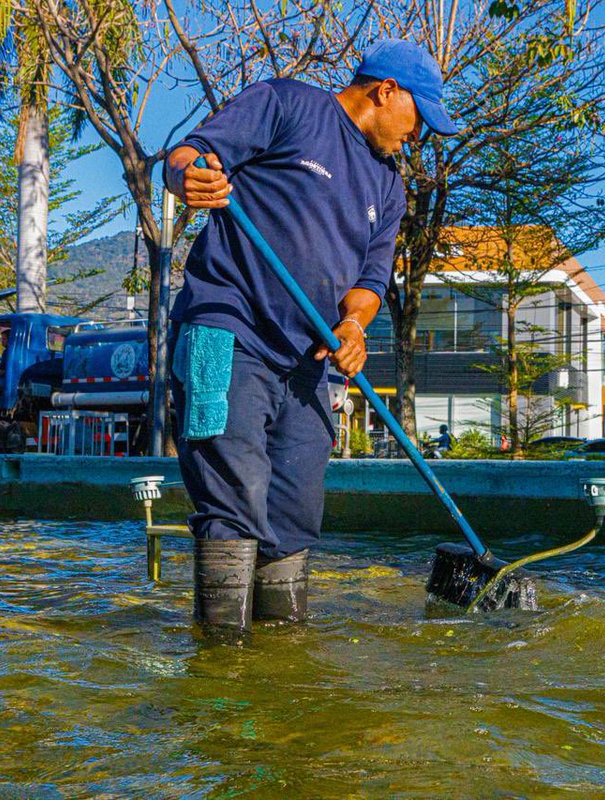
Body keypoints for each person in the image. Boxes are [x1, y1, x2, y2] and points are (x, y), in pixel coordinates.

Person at [164, 39, 459, 633]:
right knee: (234, 495)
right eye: (419, 120)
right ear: (386, 92)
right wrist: (187, 177)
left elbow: (371, 281)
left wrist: (353, 325)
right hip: (231, 329)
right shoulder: (287, 105)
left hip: (310, 362)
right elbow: (188, 156)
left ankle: (283, 675)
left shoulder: (389, 186)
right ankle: (222, 680)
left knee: (296, 509)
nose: (418, 136)